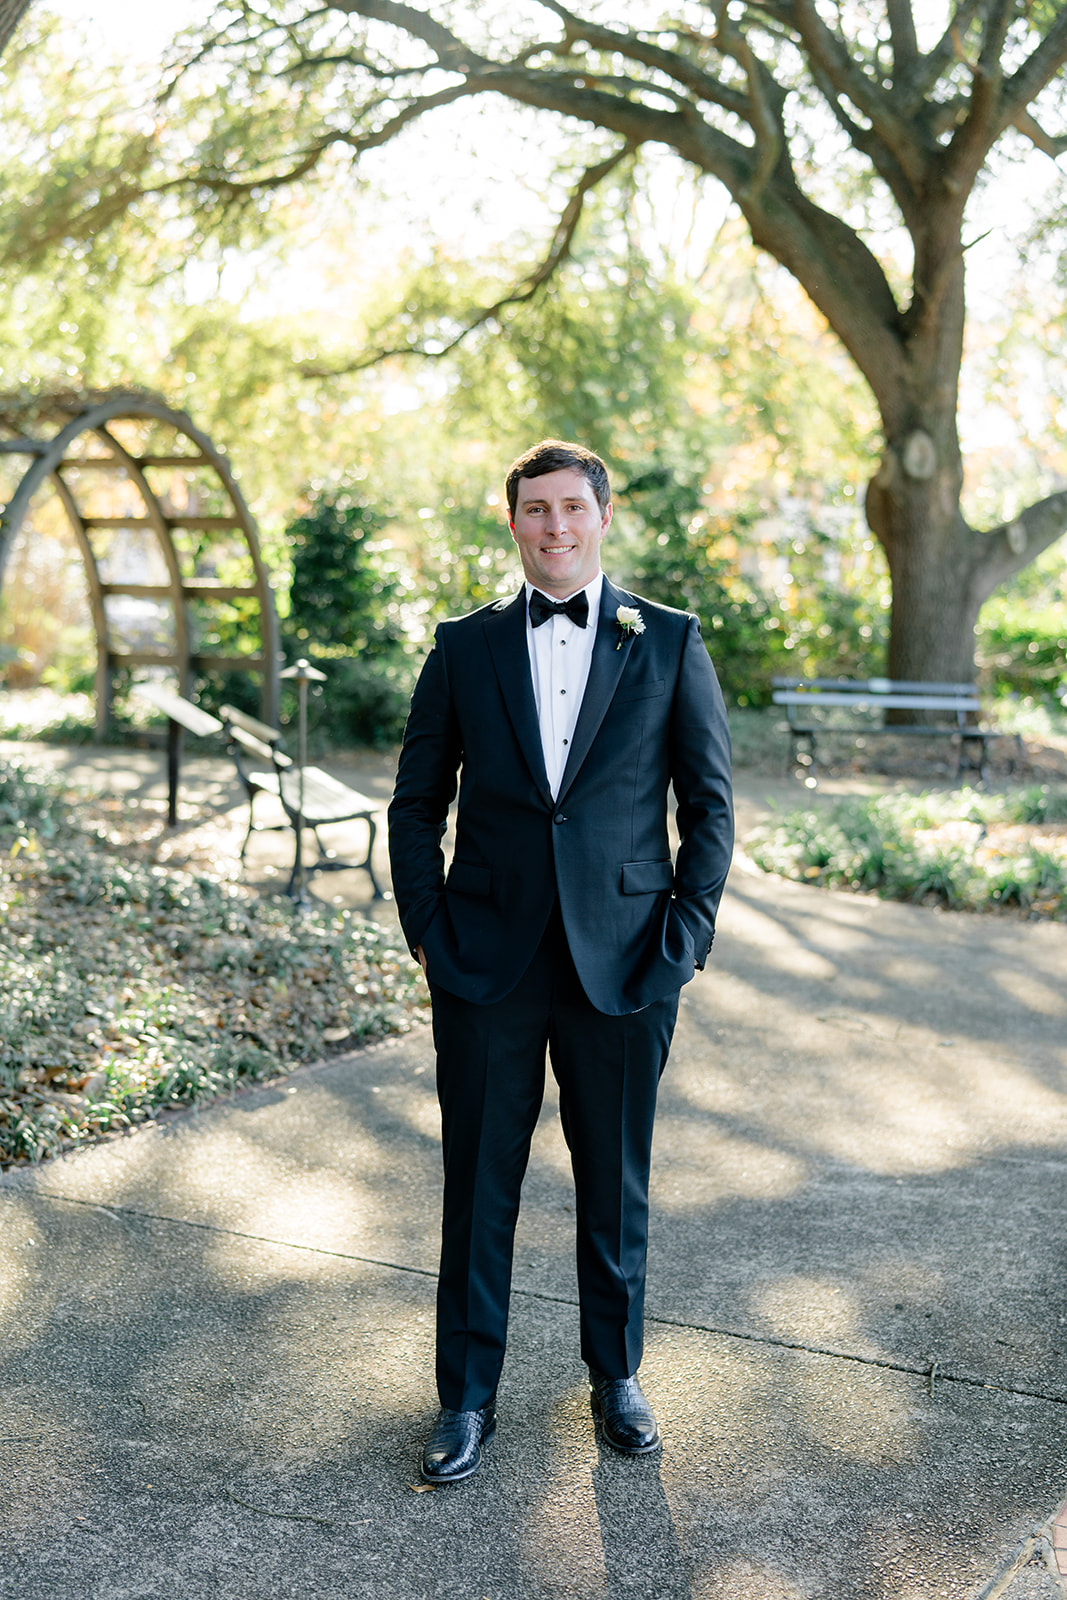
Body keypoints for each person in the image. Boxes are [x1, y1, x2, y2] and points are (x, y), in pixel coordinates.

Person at [387, 439, 733, 1483]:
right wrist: (427, 931)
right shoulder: (462, 646)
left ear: (602, 516)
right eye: (535, 510)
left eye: (571, 508)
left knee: (614, 1179)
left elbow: (707, 805)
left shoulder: (666, 641)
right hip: (484, 961)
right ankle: (464, 1397)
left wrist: (682, 940)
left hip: (626, 963)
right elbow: (413, 803)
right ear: (513, 522)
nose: (554, 527)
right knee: (475, 1181)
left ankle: (615, 1376)